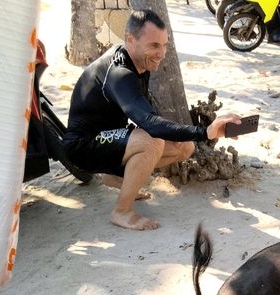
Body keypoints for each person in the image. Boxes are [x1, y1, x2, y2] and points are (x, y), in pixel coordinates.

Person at [63, 9, 240, 230]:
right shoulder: (119, 72)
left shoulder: (140, 63)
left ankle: (116, 177)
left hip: (109, 140)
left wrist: (186, 136)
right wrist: (204, 132)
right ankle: (122, 211)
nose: (162, 53)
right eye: (154, 46)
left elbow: (148, 116)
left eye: (164, 45)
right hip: (83, 145)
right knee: (151, 142)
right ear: (130, 39)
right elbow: (149, 123)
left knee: (183, 147)